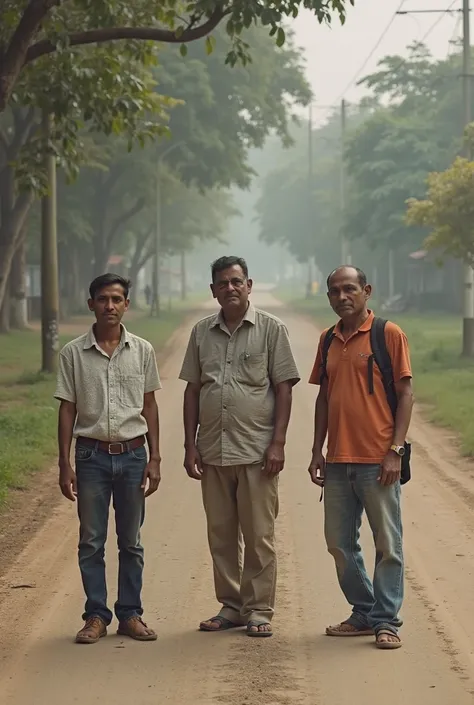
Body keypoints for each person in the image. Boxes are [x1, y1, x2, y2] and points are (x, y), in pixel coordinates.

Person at [179, 256, 300, 638]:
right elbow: (193, 389)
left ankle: (259, 608)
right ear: (213, 290)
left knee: (259, 533)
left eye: (236, 281)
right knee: (221, 533)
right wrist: (189, 445)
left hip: (256, 451)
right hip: (213, 450)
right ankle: (231, 606)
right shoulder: (201, 333)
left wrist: (277, 442)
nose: (229, 288)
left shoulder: (271, 329)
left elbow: (283, 387)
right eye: (222, 283)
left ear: (249, 285)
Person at [307, 265, 413, 650]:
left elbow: (405, 394)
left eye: (349, 289)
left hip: (378, 461)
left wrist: (395, 451)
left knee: (387, 543)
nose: (341, 297)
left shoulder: (388, 334)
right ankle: (364, 610)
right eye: (334, 291)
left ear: (366, 291)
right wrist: (317, 450)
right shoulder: (327, 340)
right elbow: (323, 397)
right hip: (337, 461)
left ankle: (386, 621)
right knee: (338, 542)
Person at [55, 273, 162, 644]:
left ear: (127, 304)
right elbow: (67, 409)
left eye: (117, 299)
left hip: (133, 454)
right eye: (103, 299)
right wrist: (64, 463)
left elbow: (149, 405)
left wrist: (156, 458)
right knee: (92, 540)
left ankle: (130, 614)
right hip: (91, 456)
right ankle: (96, 615)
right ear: (91, 304)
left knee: (130, 541)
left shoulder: (143, 350)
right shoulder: (73, 353)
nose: (110, 306)